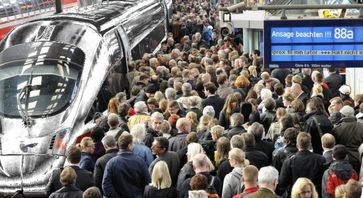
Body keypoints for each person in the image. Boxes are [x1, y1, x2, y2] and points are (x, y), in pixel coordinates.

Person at [102, 134, 150, 198]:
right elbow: (147, 181)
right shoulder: (140, 161)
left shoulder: (111, 163)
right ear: (129, 145)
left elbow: (106, 185)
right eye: (132, 143)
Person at [279, 132, 326, 197]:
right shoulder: (320, 160)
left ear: (297, 145)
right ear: (310, 145)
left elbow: (282, 183)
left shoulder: (289, 161)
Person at [332, 105, 363, 174]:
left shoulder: (337, 129)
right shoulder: (361, 126)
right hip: (359, 159)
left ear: (342, 115)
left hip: (343, 159)